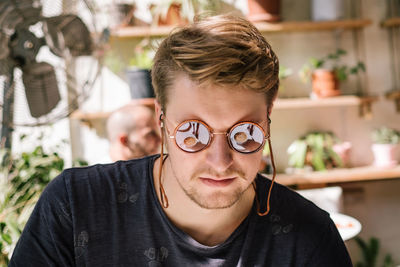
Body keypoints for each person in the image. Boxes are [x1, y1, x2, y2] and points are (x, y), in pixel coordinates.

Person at [10, 14, 352, 266]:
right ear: (162, 117)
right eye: (193, 131)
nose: (220, 161)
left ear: (269, 117)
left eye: (244, 134)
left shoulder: (310, 240)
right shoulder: (75, 207)